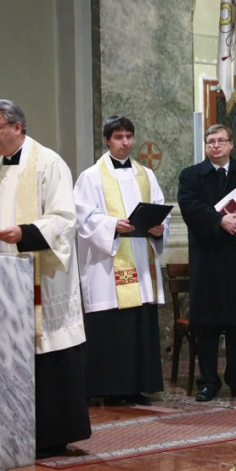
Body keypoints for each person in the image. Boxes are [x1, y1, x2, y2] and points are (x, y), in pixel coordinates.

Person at [0, 99, 90, 458]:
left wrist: (26, 233)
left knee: (47, 350)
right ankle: (12, 429)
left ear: (17, 127)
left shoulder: (48, 163)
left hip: (41, 278)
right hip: (3, 279)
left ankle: (51, 435)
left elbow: (64, 219)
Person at [74, 115, 168, 406]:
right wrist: (112, 225)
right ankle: (111, 388)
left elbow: (159, 208)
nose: (125, 143)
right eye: (118, 137)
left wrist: (160, 228)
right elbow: (83, 218)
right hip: (107, 264)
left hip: (140, 263)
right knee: (114, 327)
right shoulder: (91, 176)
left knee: (139, 324)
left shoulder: (146, 175)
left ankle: (138, 386)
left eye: (129, 136)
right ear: (107, 140)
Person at [177, 124, 236, 402]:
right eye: (211, 141)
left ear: (232, 144)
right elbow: (190, 208)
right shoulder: (191, 175)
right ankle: (208, 381)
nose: (216, 145)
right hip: (207, 258)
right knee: (207, 324)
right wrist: (220, 220)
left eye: (221, 141)